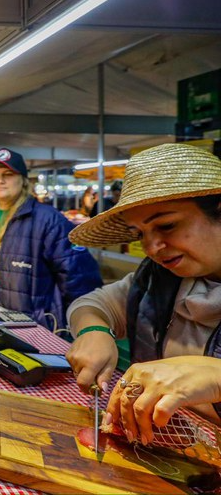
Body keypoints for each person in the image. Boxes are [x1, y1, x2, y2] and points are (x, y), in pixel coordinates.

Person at [66, 143, 221, 445]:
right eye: (140, 233)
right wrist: (94, 330)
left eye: (166, 225)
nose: (151, 248)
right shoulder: (159, 278)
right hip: (170, 449)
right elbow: (91, 304)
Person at [0, 148, 102, 331]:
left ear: (23, 180)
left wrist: (85, 327)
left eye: (8, 174)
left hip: (32, 326)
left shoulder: (48, 219)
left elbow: (79, 278)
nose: (0, 180)